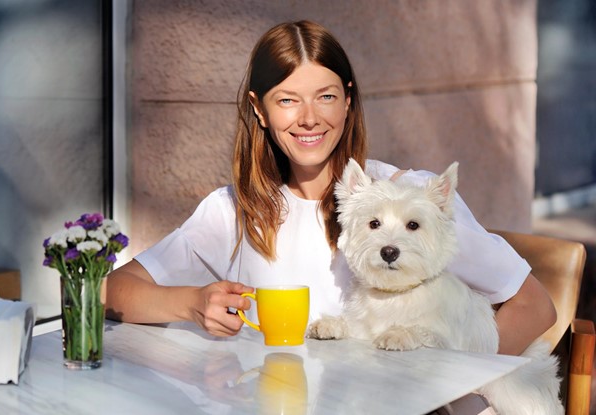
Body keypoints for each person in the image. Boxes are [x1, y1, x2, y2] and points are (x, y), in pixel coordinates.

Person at [106, 20, 556, 359]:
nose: (308, 118)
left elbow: (534, 306)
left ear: (348, 99)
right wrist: (191, 302)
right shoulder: (235, 210)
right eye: (286, 99)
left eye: (325, 96)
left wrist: (449, 394)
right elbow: (114, 291)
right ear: (258, 110)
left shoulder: (408, 200)